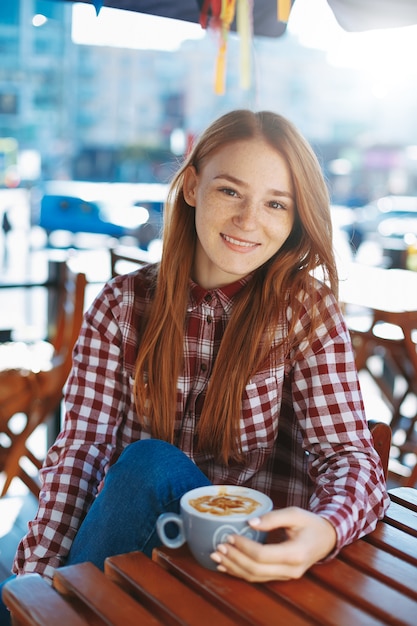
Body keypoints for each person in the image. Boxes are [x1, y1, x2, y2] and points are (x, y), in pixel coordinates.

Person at [1, 110, 389, 621]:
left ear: (296, 218)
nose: (249, 220)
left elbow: (349, 458)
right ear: (190, 187)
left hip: (250, 571)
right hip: (138, 562)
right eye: (230, 191)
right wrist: (36, 584)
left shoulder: (305, 311)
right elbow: (79, 455)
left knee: (148, 464)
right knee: (20, 585)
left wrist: (326, 529)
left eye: (276, 203)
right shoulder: (122, 305)